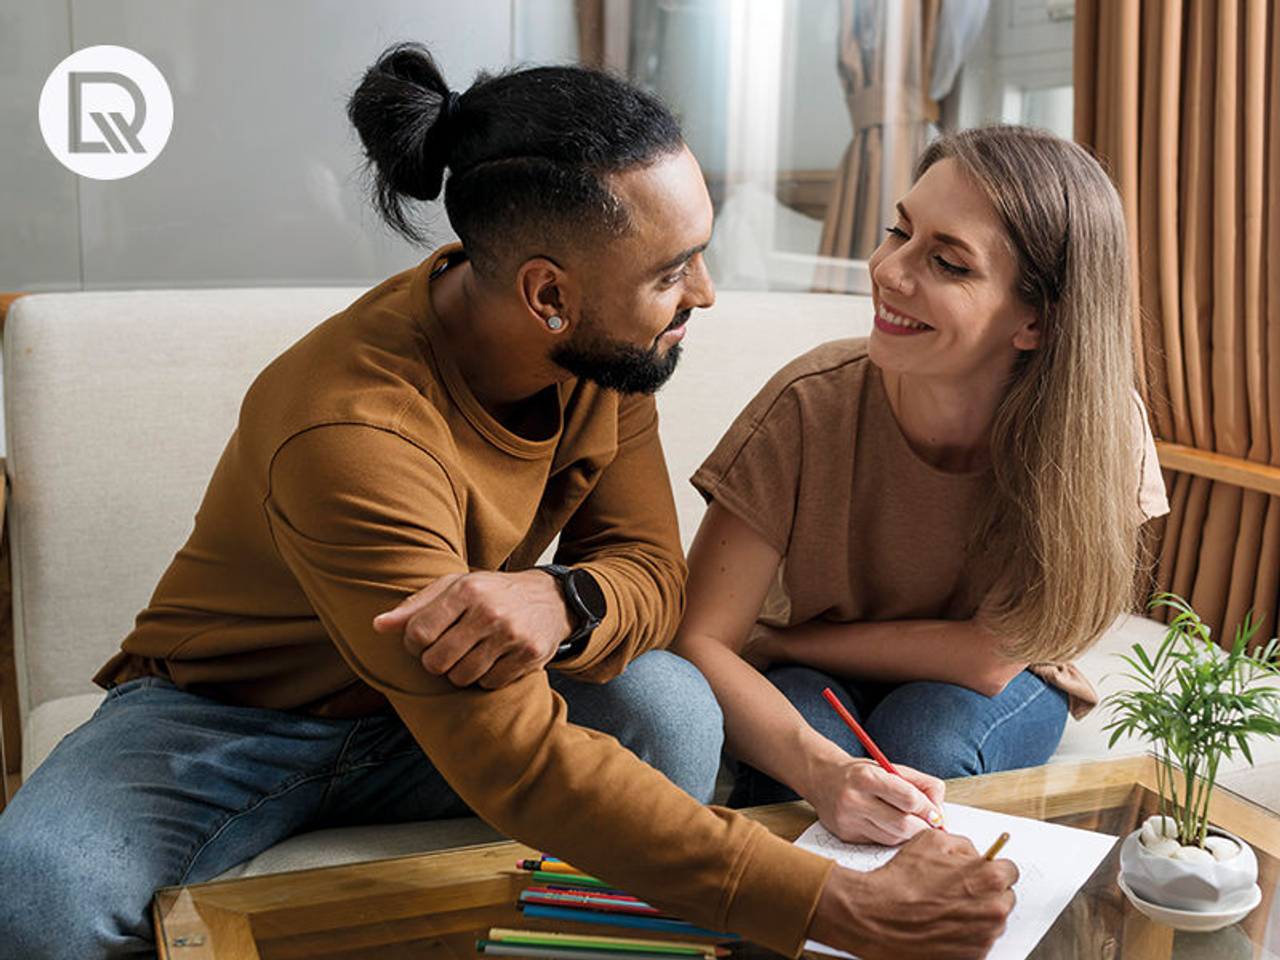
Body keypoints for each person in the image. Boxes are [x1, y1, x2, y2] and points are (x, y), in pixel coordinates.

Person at [0, 46, 1016, 960]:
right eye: (672, 272)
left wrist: (561, 599)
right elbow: (514, 757)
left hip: (440, 717)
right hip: (234, 722)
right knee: (36, 890)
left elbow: (655, 581)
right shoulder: (349, 429)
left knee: (666, 703)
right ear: (547, 294)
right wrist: (842, 907)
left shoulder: (605, 358)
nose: (702, 294)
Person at [674, 125, 1170, 847]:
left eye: (947, 262)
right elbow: (701, 640)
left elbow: (992, 658)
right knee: (801, 773)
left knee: (927, 747)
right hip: (806, 666)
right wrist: (820, 768)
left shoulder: (1099, 431)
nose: (889, 270)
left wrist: (786, 638)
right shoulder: (811, 404)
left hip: (990, 675)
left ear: (1035, 319)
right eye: (897, 231)